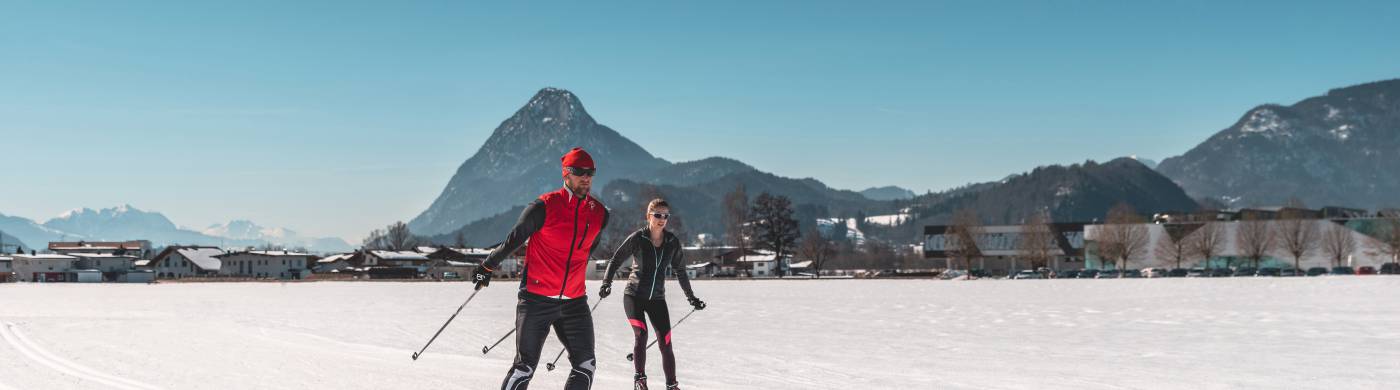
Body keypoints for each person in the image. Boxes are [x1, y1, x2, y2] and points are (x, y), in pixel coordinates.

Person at [473, 147, 610, 390]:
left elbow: (588, 250)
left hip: (575, 302)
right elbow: (513, 240)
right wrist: (488, 265)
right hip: (536, 300)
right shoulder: (544, 206)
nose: (586, 177)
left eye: (591, 172)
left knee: (586, 364)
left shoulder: (599, 213)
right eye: (580, 172)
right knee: (524, 367)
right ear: (566, 174)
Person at [600, 199, 706, 390]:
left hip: (657, 299)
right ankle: (640, 380)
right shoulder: (638, 238)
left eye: (665, 215)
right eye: (657, 214)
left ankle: (671, 385)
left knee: (666, 342)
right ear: (648, 216)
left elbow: (681, 271)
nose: (662, 219)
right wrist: (606, 282)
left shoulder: (672, 242)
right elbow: (616, 259)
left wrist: (691, 297)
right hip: (634, 296)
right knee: (642, 335)